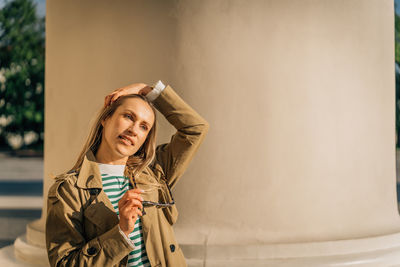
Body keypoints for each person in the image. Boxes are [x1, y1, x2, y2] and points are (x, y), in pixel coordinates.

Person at [45, 80, 209, 267]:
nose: (133, 130)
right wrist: (120, 232)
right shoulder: (68, 191)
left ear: (146, 138)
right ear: (105, 119)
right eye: (128, 117)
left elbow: (195, 129)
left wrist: (148, 91)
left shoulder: (155, 172)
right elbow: (65, 263)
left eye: (144, 126)